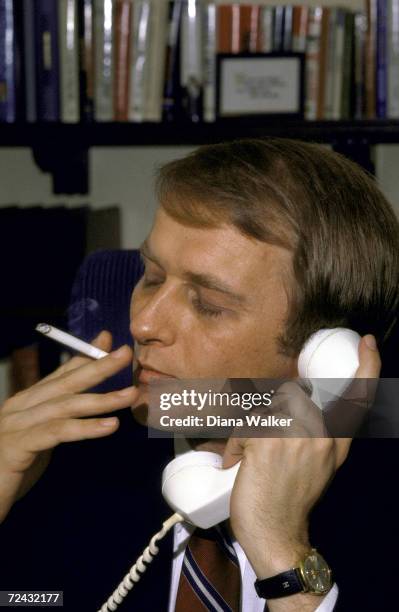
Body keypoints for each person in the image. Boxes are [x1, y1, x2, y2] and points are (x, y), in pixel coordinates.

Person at [0, 138, 398, 612]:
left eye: (208, 304)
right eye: (150, 277)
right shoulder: (66, 467)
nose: (143, 324)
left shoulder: (384, 513)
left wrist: (284, 557)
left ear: (323, 353)